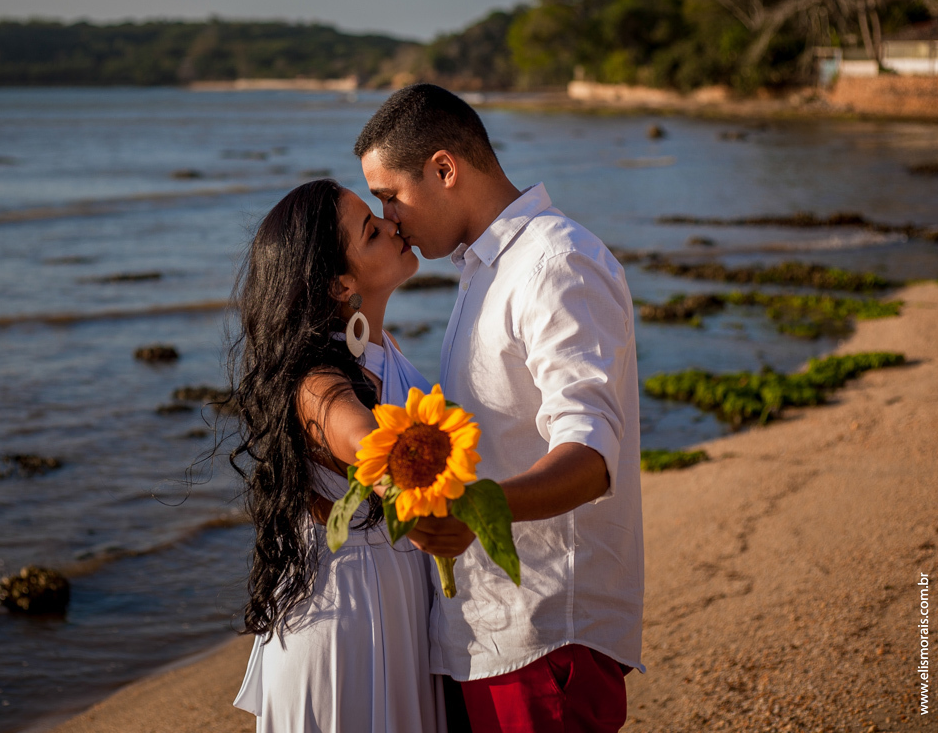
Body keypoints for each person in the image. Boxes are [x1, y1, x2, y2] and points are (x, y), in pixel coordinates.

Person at [354, 84, 646, 733]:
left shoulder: (555, 261)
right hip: (492, 633)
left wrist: (473, 511)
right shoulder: (487, 266)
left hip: (543, 633)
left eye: (389, 196)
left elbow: (594, 456)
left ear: (444, 169)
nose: (390, 218)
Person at [228, 178, 448, 733]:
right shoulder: (315, 382)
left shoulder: (380, 348)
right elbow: (366, 443)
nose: (392, 224)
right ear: (337, 283)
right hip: (347, 615)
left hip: (390, 601)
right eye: (372, 231)